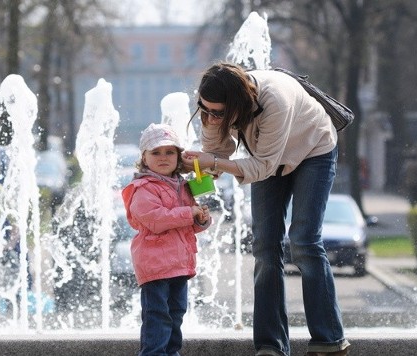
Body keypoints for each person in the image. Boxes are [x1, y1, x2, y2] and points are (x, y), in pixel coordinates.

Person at [181, 62, 350, 356]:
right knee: (264, 245)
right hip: (268, 157)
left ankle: (329, 339)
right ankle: (270, 345)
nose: (208, 116)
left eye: (216, 112)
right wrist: (205, 164)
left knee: (304, 241)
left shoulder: (276, 100)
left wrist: (216, 163)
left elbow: (262, 167)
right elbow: (218, 152)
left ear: (237, 103)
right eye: (204, 108)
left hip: (313, 151)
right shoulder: (215, 109)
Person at [121, 123, 212, 356]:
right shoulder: (143, 188)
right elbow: (155, 219)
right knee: (157, 315)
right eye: (156, 152)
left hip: (179, 265)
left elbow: (186, 227)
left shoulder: (183, 185)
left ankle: (171, 353)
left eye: (169, 152)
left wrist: (200, 219)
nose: (163, 157)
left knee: (176, 313)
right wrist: (187, 213)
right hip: (156, 267)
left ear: (179, 156)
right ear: (144, 157)